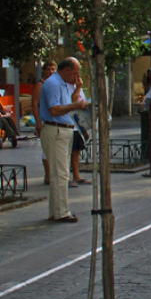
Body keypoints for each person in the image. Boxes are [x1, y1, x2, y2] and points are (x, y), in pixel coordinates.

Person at [40, 58, 91, 223]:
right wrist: (76, 106)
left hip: (63, 129)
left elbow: (68, 103)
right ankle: (61, 212)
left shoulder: (61, 83)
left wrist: (78, 91)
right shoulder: (53, 84)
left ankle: (56, 211)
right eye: (75, 73)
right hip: (56, 130)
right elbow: (54, 109)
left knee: (59, 173)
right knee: (61, 174)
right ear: (67, 71)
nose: (77, 77)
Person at [31, 62, 55, 184]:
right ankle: (48, 174)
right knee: (46, 149)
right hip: (45, 120)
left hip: (55, 120)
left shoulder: (55, 83)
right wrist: (37, 121)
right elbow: (34, 104)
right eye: (48, 69)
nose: (50, 72)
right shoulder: (40, 85)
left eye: (53, 69)